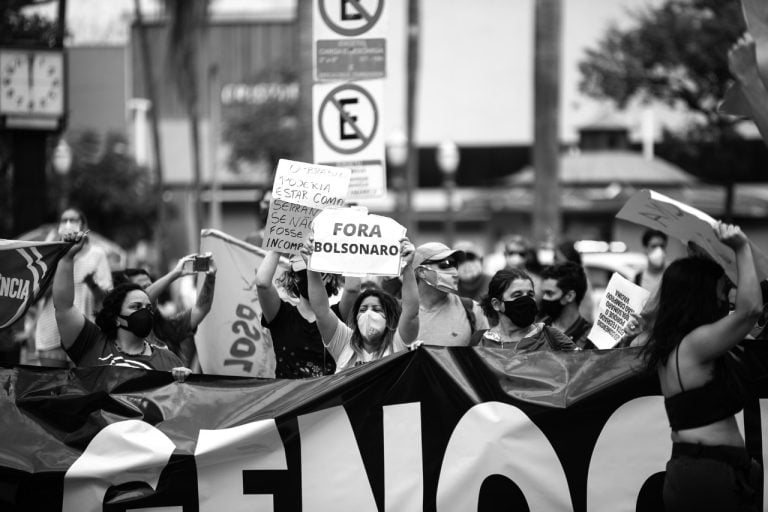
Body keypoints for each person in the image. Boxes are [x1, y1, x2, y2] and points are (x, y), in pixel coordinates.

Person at [639, 222, 762, 511]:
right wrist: (741, 248)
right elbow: (750, 311)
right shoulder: (695, 344)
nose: (725, 297)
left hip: (701, 473)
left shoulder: (672, 342)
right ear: (701, 294)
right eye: (721, 289)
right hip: (708, 477)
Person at [52, 232, 191, 380]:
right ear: (116, 317)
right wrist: (67, 258)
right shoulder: (91, 343)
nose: (145, 312)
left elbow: (180, 399)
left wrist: (184, 380)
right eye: (136, 307)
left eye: (149, 308)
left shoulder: (169, 360)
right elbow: (63, 307)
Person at [303, 238, 418, 372]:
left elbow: (411, 313)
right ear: (355, 317)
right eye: (363, 309)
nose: (368, 314)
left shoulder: (398, 343)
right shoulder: (344, 343)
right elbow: (321, 311)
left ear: (389, 318)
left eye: (376, 309)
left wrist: (408, 267)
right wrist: (311, 267)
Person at [255, 250, 360, 378]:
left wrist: (343, 248)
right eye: (301, 274)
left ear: (328, 278)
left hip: (328, 396)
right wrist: (278, 245)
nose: (309, 277)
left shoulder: (338, 316)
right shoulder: (281, 315)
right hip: (289, 397)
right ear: (294, 279)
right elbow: (262, 283)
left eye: (315, 272)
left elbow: (353, 288)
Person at [34, 207, 112, 367]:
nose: (68, 224)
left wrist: (92, 284)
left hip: (84, 333)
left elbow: (107, 299)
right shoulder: (51, 254)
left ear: (83, 225)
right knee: (52, 388)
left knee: (81, 389)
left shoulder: (97, 254)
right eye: (64, 220)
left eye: (73, 220)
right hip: (51, 332)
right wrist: (62, 257)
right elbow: (36, 296)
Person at [120, 254, 217, 369]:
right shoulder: (123, 333)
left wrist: (210, 277)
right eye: (142, 288)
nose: (154, 293)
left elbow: (201, 308)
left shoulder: (168, 326)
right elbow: (144, 299)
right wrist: (175, 273)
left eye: (151, 286)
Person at [470, 268, 578, 352]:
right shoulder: (479, 340)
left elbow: (585, 369)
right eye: (517, 295)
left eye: (530, 294)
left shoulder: (552, 338)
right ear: (497, 304)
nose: (526, 300)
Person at [413, 242, 488, 346]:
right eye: (446, 265)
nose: (455, 272)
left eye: (455, 265)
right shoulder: (396, 313)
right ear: (422, 271)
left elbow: (486, 357)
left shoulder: (472, 310)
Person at [540, 262, 596, 349]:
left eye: (549, 293)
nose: (544, 298)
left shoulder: (592, 339)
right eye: (543, 293)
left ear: (569, 296)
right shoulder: (538, 330)